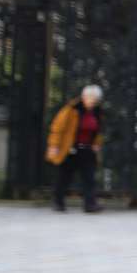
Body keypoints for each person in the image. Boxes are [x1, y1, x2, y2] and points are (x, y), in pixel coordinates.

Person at [46, 84, 105, 213]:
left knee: (89, 178)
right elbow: (57, 128)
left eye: (95, 99)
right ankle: (58, 202)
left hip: (87, 150)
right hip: (70, 149)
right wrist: (54, 145)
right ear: (83, 97)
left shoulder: (97, 112)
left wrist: (96, 144)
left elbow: (98, 131)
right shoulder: (71, 109)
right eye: (90, 98)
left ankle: (90, 205)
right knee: (64, 177)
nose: (93, 101)